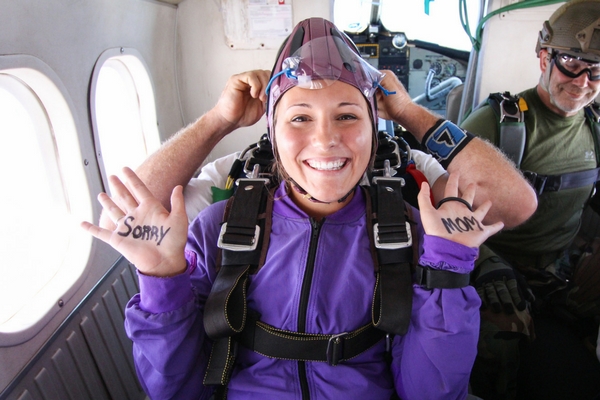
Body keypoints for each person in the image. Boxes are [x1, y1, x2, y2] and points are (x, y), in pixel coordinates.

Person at [83, 17, 505, 399]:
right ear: (272, 133)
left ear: (375, 133)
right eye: (300, 118)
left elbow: (431, 394)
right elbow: (175, 391)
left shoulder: (415, 228)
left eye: (347, 116)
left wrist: (448, 269)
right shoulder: (219, 224)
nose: (325, 140)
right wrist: (161, 282)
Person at [460, 1, 600, 398]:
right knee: (499, 342)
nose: (582, 80)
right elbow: (438, 204)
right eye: (572, 61)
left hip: (564, 265)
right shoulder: (498, 124)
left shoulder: (595, 126)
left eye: (596, 68)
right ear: (544, 56)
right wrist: (484, 264)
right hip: (501, 265)